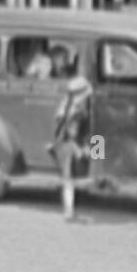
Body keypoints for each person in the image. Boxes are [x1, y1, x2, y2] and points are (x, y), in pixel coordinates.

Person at [48, 74, 93, 222]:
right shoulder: (76, 113)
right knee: (69, 179)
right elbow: (73, 134)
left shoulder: (65, 107)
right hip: (69, 145)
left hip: (64, 144)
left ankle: (69, 210)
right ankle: (69, 211)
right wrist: (83, 151)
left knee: (69, 179)